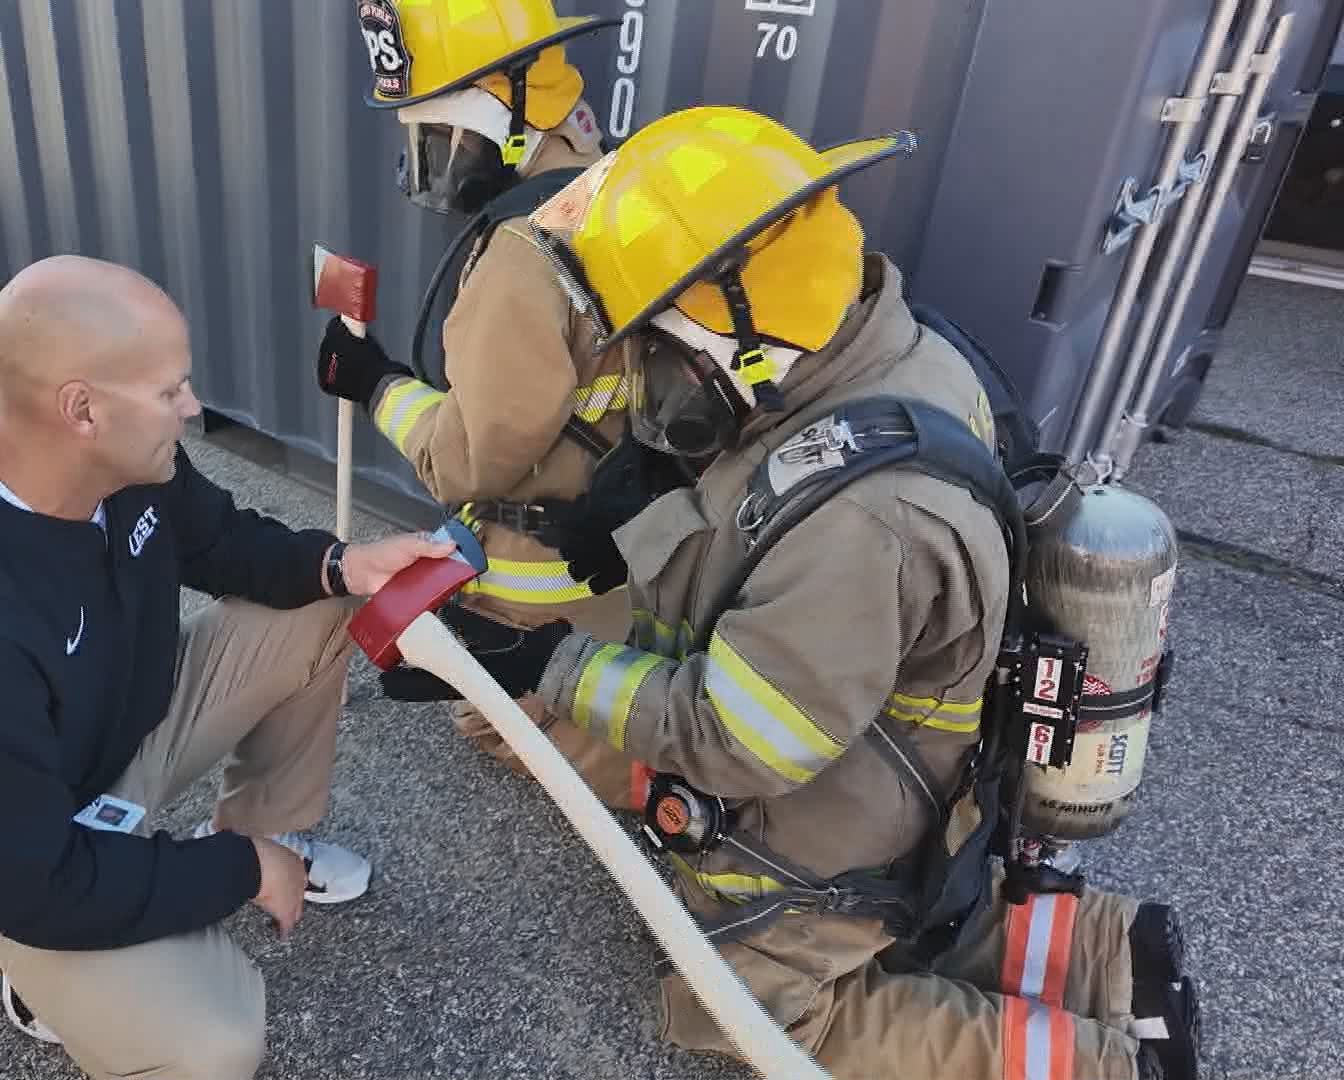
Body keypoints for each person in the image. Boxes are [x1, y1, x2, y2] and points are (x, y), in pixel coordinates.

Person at [376, 107, 1199, 1080]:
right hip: (884, 721)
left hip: (855, 779)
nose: (642, 379)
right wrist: (623, 531)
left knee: (743, 1003)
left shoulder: (867, 524)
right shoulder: (880, 345)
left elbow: (740, 738)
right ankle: (1105, 955)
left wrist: (544, 661)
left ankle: (1097, 1067)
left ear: (735, 329)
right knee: (901, 907)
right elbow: (757, 509)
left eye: (658, 353)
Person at [0, 255, 455, 1080]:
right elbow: (36, 879)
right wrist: (240, 874)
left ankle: (255, 827)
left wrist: (346, 562)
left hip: (116, 733)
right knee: (212, 1047)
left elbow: (222, 542)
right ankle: (48, 973)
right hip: (3, 855)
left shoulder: (124, 467)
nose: (193, 408)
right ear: (82, 409)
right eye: (170, 391)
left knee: (327, 602)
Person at [318, 0, 673, 809]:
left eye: (442, 131)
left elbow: (470, 458)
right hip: (637, 550)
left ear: (516, 111)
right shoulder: (624, 184)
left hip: (549, 577)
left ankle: (672, 786)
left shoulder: (522, 252)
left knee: (493, 723)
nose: (433, 160)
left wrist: (373, 383)